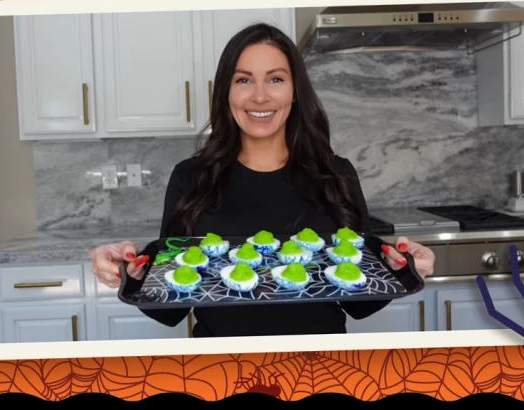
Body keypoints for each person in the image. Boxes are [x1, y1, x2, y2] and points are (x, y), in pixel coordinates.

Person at [90, 22, 436, 338]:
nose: (259, 96)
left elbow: (359, 304)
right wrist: (129, 272)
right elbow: (172, 310)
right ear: (226, 91)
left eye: (275, 79)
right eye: (243, 80)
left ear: (295, 91)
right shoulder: (192, 178)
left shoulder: (335, 175)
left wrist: (402, 270)